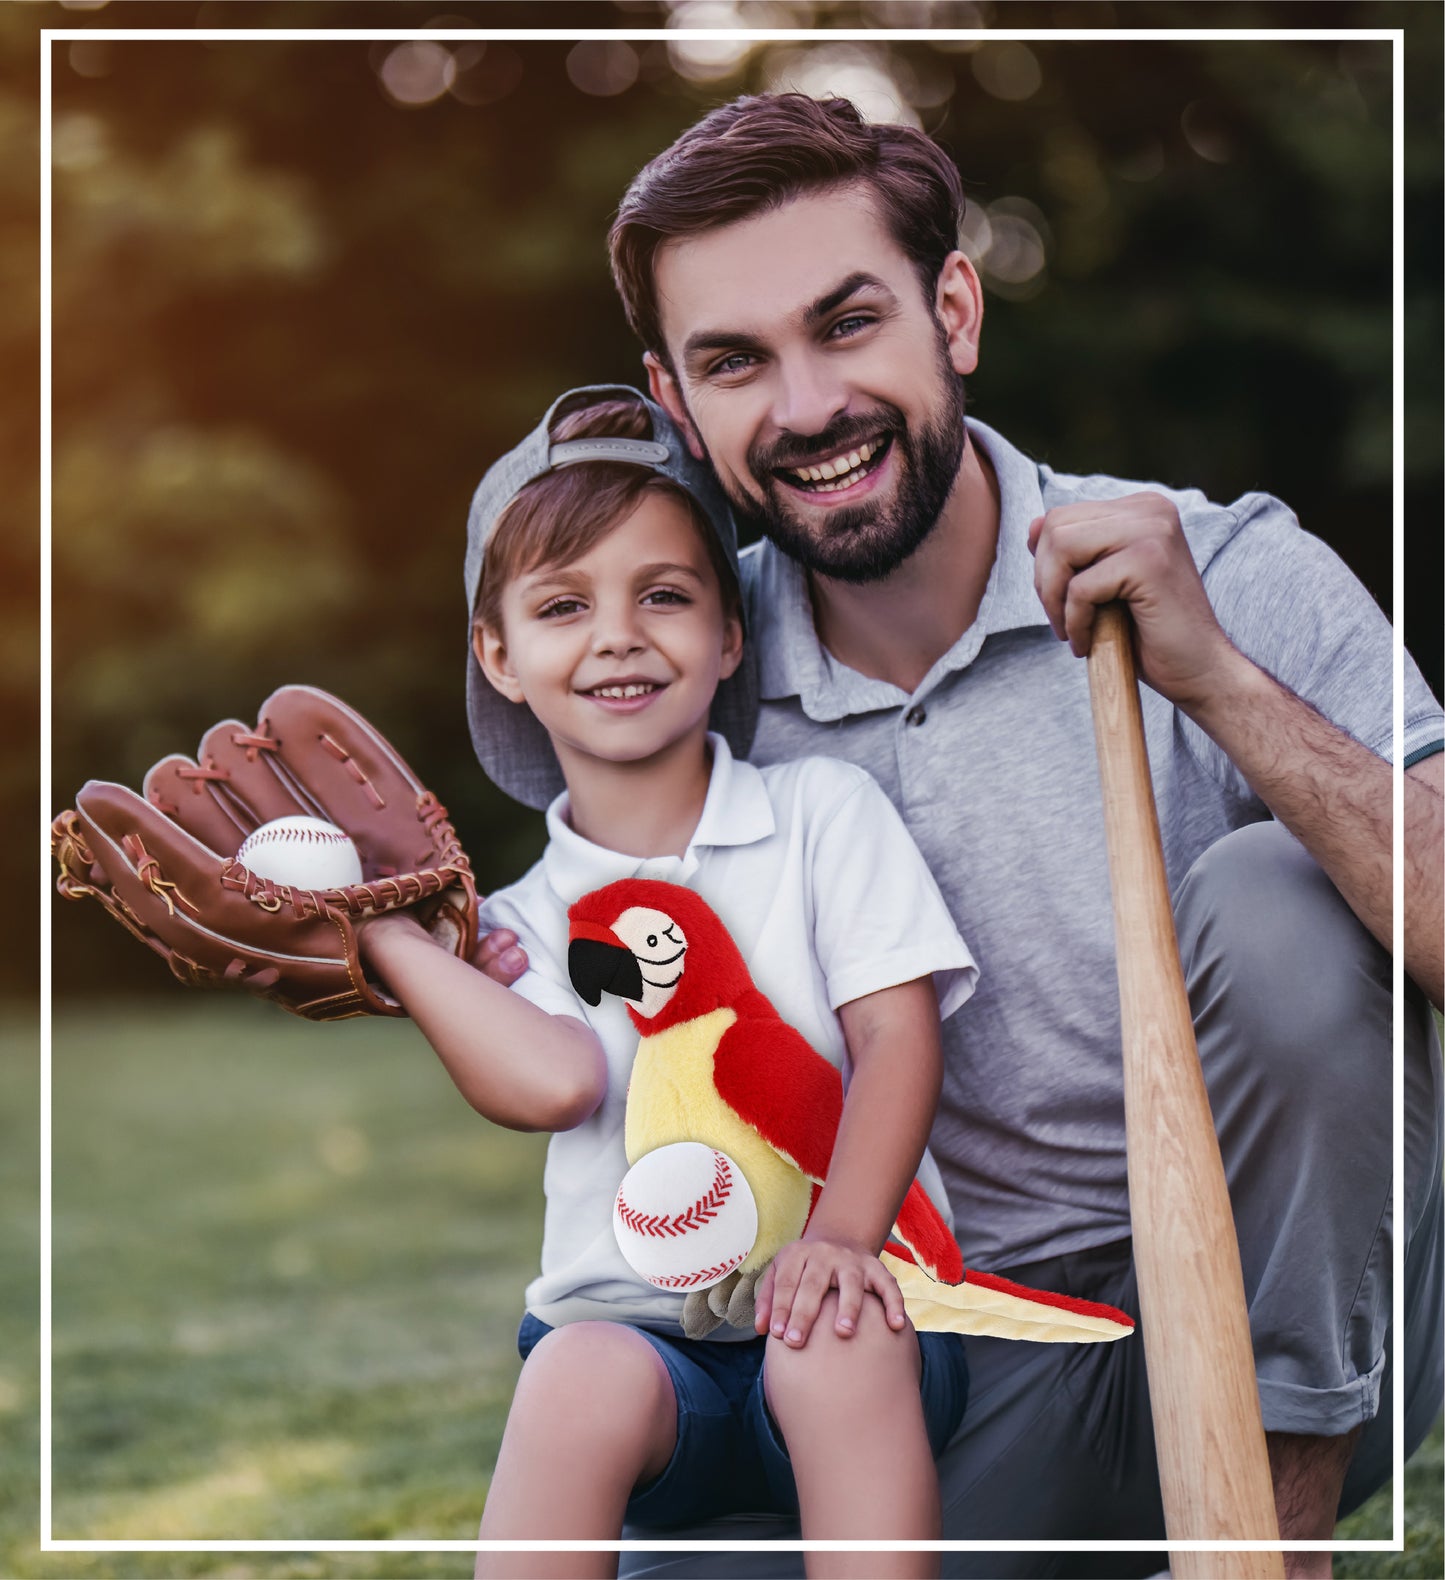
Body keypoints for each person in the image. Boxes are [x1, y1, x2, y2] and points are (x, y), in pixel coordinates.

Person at [477, 94, 1444, 1579]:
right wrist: (381, 943)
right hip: (938, 1355)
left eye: (846, 323)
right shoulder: (683, 666)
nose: (803, 408)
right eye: (737, 362)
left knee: (1276, 899)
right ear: (676, 403)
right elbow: (549, 926)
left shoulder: (1225, 566)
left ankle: (1264, 1553)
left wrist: (1219, 682)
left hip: (1298, 1325)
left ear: (954, 308)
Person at [363, 384, 986, 1580]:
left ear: (729, 632)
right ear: (496, 653)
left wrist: (843, 1238)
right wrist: (392, 938)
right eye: (559, 605)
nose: (617, 635)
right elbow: (550, 1081)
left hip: (857, 1304)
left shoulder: (816, 815)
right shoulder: (513, 922)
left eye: (663, 595)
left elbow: (898, 1040)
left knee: (830, 1334)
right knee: (571, 1371)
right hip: (646, 1353)